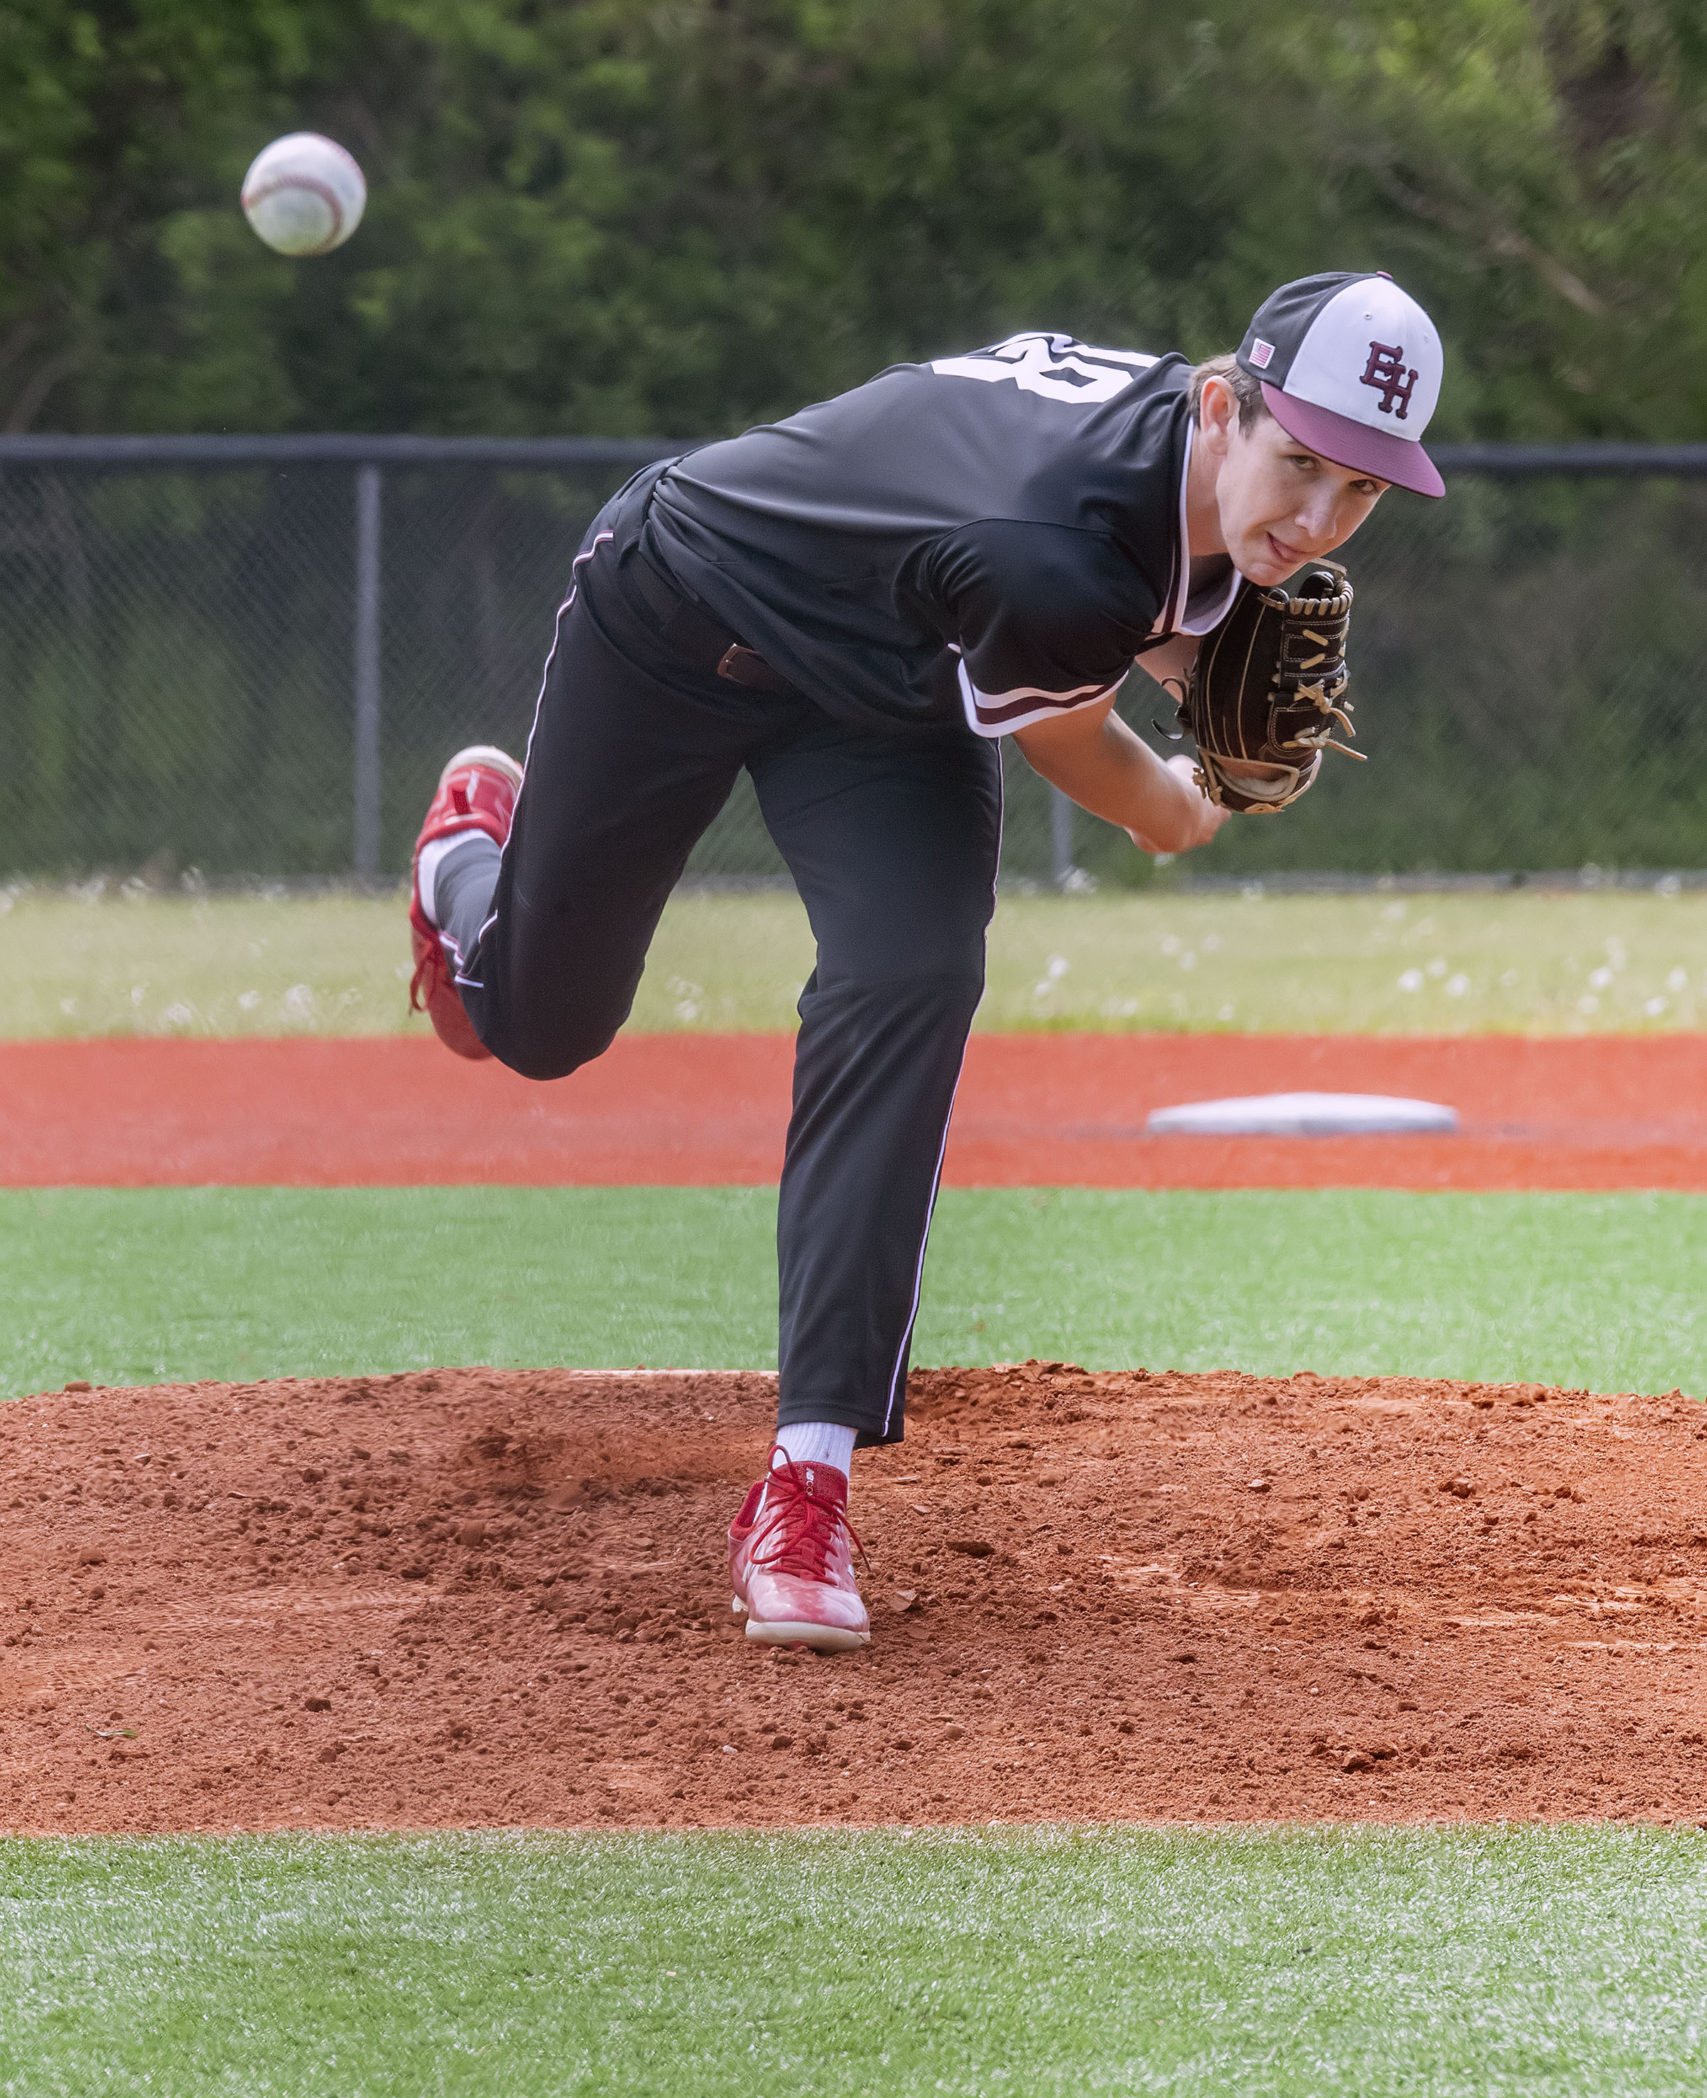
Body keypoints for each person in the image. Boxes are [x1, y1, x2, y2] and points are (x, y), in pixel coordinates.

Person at [407, 269, 1445, 1652]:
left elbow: (1123, 595)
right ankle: (470, 859)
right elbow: (1081, 740)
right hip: (681, 612)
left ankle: (807, 1480)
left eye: (1360, 490)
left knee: (914, 973)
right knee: (539, 1027)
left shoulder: (1170, 478)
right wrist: (1189, 802)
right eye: (1301, 462)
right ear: (1220, 403)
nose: (1316, 519)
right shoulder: (1056, 551)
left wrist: (1201, 673)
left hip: (889, 690)